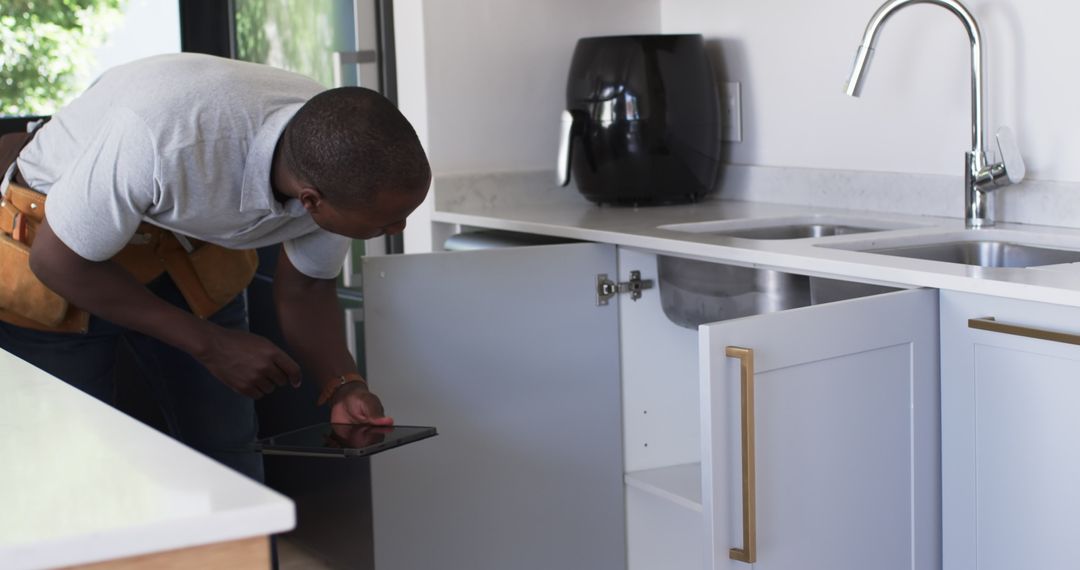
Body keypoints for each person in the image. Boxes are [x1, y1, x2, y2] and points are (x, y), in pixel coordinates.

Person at [0, 53, 431, 481]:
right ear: (310, 200)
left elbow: (306, 289)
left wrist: (344, 383)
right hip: (55, 242)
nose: (398, 227)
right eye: (387, 221)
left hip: (179, 241)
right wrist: (212, 344)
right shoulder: (161, 138)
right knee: (70, 464)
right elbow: (57, 262)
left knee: (229, 457)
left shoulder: (345, 161)